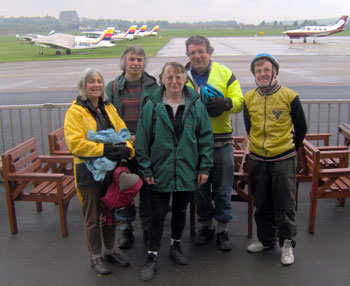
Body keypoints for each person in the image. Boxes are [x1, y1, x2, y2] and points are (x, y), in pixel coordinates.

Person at [135, 62, 214, 281]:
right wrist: (146, 168)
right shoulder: (151, 105)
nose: (174, 81)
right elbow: (142, 141)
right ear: (161, 79)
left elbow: (205, 137)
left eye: (179, 77)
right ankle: (152, 256)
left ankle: (175, 246)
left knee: (180, 212)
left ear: (185, 80)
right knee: (157, 215)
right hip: (159, 170)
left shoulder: (196, 104)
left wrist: (204, 166)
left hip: (187, 170)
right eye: (169, 77)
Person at [64, 68, 133, 275]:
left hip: (110, 170)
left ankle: (110, 251)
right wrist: (105, 148)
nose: (96, 85)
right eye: (91, 82)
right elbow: (76, 144)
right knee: (92, 217)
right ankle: (96, 256)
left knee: (110, 212)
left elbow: (123, 133)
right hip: (87, 172)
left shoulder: (108, 108)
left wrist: (127, 150)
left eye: (99, 81)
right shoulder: (75, 112)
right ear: (83, 86)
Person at [244, 53, 307, 265]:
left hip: (283, 159)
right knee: (261, 202)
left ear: (275, 72)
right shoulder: (249, 97)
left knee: (285, 203)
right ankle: (266, 240)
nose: (262, 74)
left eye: (266, 70)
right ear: (254, 74)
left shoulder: (290, 96)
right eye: (258, 71)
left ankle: (287, 243)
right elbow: (249, 127)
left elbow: (301, 129)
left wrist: (287, 150)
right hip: (258, 159)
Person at [185, 35, 244, 251]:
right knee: (200, 189)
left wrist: (226, 103)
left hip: (222, 143)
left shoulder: (225, 73)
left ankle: (222, 229)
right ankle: (204, 226)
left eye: (201, 51)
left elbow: (240, 102)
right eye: (192, 52)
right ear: (188, 55)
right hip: (195, 144)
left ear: (209, 52)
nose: (197, 55)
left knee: (222, 188)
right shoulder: (181, 76)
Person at [106, 45, 159, 249]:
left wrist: (143, 137)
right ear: (124, 62)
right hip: (123, 148)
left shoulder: (154, 87)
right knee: (124, 189)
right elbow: (107, 120)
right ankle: (126, 228)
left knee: (147, 189)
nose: (136, 63)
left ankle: (146, 228)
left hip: (147, 148)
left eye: (139, 59)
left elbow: (159, 116)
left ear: (144, 63)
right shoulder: (112, 88)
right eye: (132, 59)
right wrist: (126, 139)